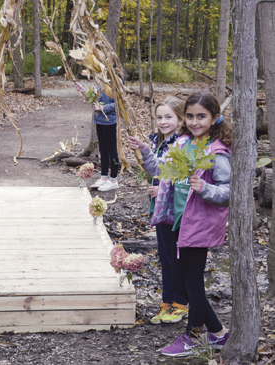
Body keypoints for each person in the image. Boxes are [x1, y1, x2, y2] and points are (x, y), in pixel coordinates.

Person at [133, 92, 232, 357]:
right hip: (177, 222)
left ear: (214, 118)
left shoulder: (217, 151)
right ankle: (219, 334)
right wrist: (144, 150)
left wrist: (205, 188)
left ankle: (192, 336)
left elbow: (227, 192)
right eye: (190, 116)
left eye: (202, 116)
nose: (195, 121)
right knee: (191, 284)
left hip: (199, 225)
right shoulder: (183, 143)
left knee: (192, 283)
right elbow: (160, 171)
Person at [128, 97, 189, 325]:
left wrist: (162, 187)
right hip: (161, 209)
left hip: (174, 209)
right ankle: (168, 300)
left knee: (174, 257)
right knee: (164, 257)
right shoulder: (161, 141)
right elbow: (156, 169)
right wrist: (144, 148)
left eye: (168, 117)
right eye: (159, 117)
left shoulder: (181, 143)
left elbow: (180, 175)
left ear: (180, 119)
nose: (163, 122)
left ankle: (180, 303)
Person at [75, 82, 121, 191]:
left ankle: (113, 180)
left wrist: (102, 107)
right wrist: (83, 91)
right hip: (99, 121)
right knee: (103, 150)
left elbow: (119, 104)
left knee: (112, 151)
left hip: (109, 121)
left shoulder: (115, 81)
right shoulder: (99, 81)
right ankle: (103, 178)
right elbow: (93, 99)